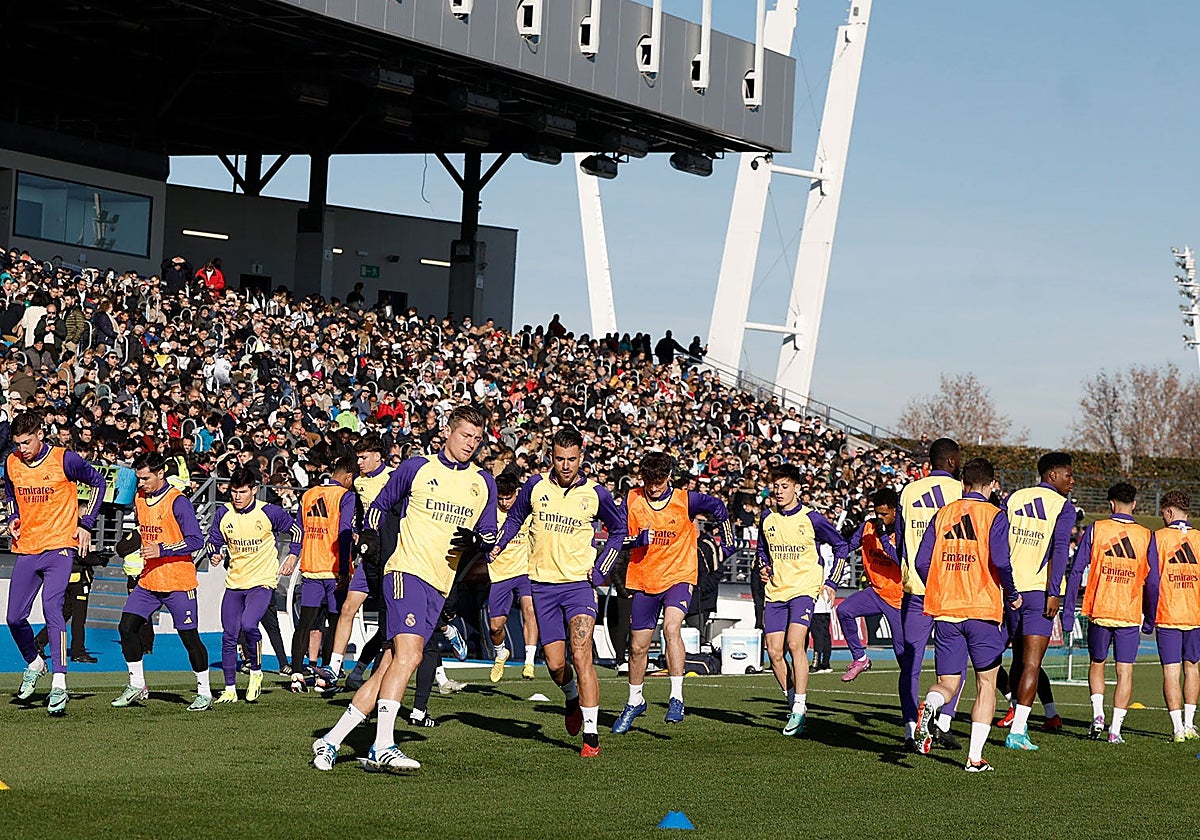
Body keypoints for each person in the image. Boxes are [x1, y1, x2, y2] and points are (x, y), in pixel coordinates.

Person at [311, 405, 498, 773]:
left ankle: (331, 740)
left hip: (440, 584)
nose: (470, 444)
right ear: (448, 431)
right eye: (465, 436)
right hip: (404, 572)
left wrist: (477, 539)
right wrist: (373, 543)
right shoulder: (417, 468)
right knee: (411, 656)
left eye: (477, 439)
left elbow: (490, 536)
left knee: (389, 668)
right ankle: (383, 744)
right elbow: (380, 507)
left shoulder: (483, 482)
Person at [493, 426, 627, 757]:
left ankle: (592, 737)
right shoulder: (536, 486)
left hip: (579, 586)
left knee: (581, 653)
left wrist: (601, 568)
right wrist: (500, 544)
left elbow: (619, 530)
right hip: (541, 586)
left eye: (571, 459)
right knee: (555, 664)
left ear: (581, 458)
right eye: (559, 459)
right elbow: (515, 519)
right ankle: (571, 697)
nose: (565, 465)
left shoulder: (596, 494)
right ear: (551, 457)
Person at [611, 451, 734, 732]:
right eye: (649, 481)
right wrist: (636, 539)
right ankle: (634, 701)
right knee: (638, 646)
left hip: (679, 576)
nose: (654, 488)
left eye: (659, 481)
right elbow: (618, 537)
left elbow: (718, 507)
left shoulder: (685, 499)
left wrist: (726, 543)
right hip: (644, 578)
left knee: (671, 627)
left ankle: (676, 696)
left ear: (668, 477)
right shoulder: (632, 499)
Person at [913, 457, 1020, 772]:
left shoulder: (943, 514)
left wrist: (941, 585)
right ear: (990, 485)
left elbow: (921, 561)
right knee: (986, 683)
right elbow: (1001, 561)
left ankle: (931, 705)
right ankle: (974, 758)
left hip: (946, 610)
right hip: (982, 610)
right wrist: (1012, 594)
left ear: (962, 484)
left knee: (947, 682)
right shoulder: (994, 515)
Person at [5, 410, 106, 714]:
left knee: (53, 608)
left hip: (60, 547)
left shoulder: (65, 459)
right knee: (14, 618)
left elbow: (99, 483)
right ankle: (35, 663)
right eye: (17, 443)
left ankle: (59, 683)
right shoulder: (12, 463)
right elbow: (10, 492)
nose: (21, 448)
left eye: (26, 442)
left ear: (39, 434)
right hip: (28, 547)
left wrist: (86, 523)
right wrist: (13, 515)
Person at [111, 453, 210, 711]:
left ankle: (205, 692)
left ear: (160, 474)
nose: (141, 483)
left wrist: (163, 549)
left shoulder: (178, 501)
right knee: (126, 627)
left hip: (178, 581)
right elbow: (145, 533)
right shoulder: (140, 498)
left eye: (145, 478)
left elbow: (197, 541)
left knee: (189, 638)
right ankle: (137, 684)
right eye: (138, 478)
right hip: (149, 580)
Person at [758, 463, 849, 737]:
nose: (780, 491)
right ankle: (792, 703)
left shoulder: (813, 519)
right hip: (775, 591)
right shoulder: (767, 518)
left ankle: (800, 705)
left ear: (797, 488)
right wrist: (764, 565)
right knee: (774, 652)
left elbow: (841, 546)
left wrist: (831, 581)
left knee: (795, 643)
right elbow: (763, 549)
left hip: (803, 589)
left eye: (785, 486)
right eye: (776, 487)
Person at [1064, 482, 1153, 744]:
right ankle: (1115, 730)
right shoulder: (1146, 535)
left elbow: (1076, 571)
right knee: (1125, 671)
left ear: (1110, 503)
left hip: (1100, 609)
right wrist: (1149, 615)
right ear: (1134, 504)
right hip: (1129, 613)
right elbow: (1153, 581)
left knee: (1097, 664)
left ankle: (1098, 715)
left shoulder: (1096, 529)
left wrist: (1069, 610)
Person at [997, 452, 1076, 750]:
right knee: (1031, 662)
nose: (1072, 480)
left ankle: (1008, 708)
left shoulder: (1015, 497)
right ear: (1052, 474)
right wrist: (1053, 592)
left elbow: (999, 541)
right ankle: (1018, 732)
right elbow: (1058, 550)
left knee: (1005, 657)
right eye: (1068, 475)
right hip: (1039, 592)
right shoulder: (1062, 506)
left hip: (1009, 589)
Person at [207, 467, 300, 703]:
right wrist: (214, 555)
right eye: (234, 492)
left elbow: (297, 531)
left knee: (249, 625)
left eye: (242, 492)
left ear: (254, 490)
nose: (237, 497)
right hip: (235, 582)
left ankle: (256, 672)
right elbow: (213, 540)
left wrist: (292, 556)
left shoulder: (269, 512)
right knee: (229, 635)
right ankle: (229, 688)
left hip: (262, 582)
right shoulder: (223, 513)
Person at [895, 437, 964, 750]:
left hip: (915, 588)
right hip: (951, 589)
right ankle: (943, 722)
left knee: (911, 663)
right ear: (951, 461)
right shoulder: (961, 493)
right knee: (953, 662)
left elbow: (899, 540)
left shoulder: (909, 491)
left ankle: (911, 729)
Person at [327, 436, 393, 690]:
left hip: (391, 559)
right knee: (347, 608)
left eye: (364, 457)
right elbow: (358, 514)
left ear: (378, 456)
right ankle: (334, 667)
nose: (359, 462)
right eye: (358, 457)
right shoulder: (358, 483)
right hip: (369, 558)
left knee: (388, 628)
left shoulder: (393, 478)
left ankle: (360, 673)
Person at [288, 456, 358, 690]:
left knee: (305, 624)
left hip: (310, 568)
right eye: (353, 479)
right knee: (335, 624)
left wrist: (294, 555)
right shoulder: (345, 496)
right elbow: (344, 531)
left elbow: (298, 530)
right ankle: (324, 678)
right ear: (348, 477)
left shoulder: (308, 494)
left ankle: (297, 674)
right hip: (333, 570)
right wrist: (344, 572)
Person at [1145, 490, 1200, 741]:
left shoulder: (1158, 537)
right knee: (1193, 668)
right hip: (1195, 615)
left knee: (1170, 671)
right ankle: (1190, 724)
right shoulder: (1199, 538)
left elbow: (1153, 582)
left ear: (1168, 512)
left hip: (1168, 613)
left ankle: (1177, 728)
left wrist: (1149, 614)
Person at [838, 487, 904, 682]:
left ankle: (911, 702)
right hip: (875, 592)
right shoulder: (868, 526)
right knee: (844, 611)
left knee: (902, 655)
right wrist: (840, 538)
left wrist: (883, 538)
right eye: (877, 514)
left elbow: (899, 560)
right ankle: (860, 658)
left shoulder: (902, 532)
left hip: (898, 598)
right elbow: (848, 546)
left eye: (884, 514)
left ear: (895, 512)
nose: (880, 518)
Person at [487, 471, 538, 683]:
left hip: (525, 571)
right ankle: (501, 653)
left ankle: (529, 661)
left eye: (509, 497)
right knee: (495, 627)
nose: (505, 502)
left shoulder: (527, 511)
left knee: (530, 609)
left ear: (517, 493)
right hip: (500, 574)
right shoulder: (489, 513)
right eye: (501, 498)